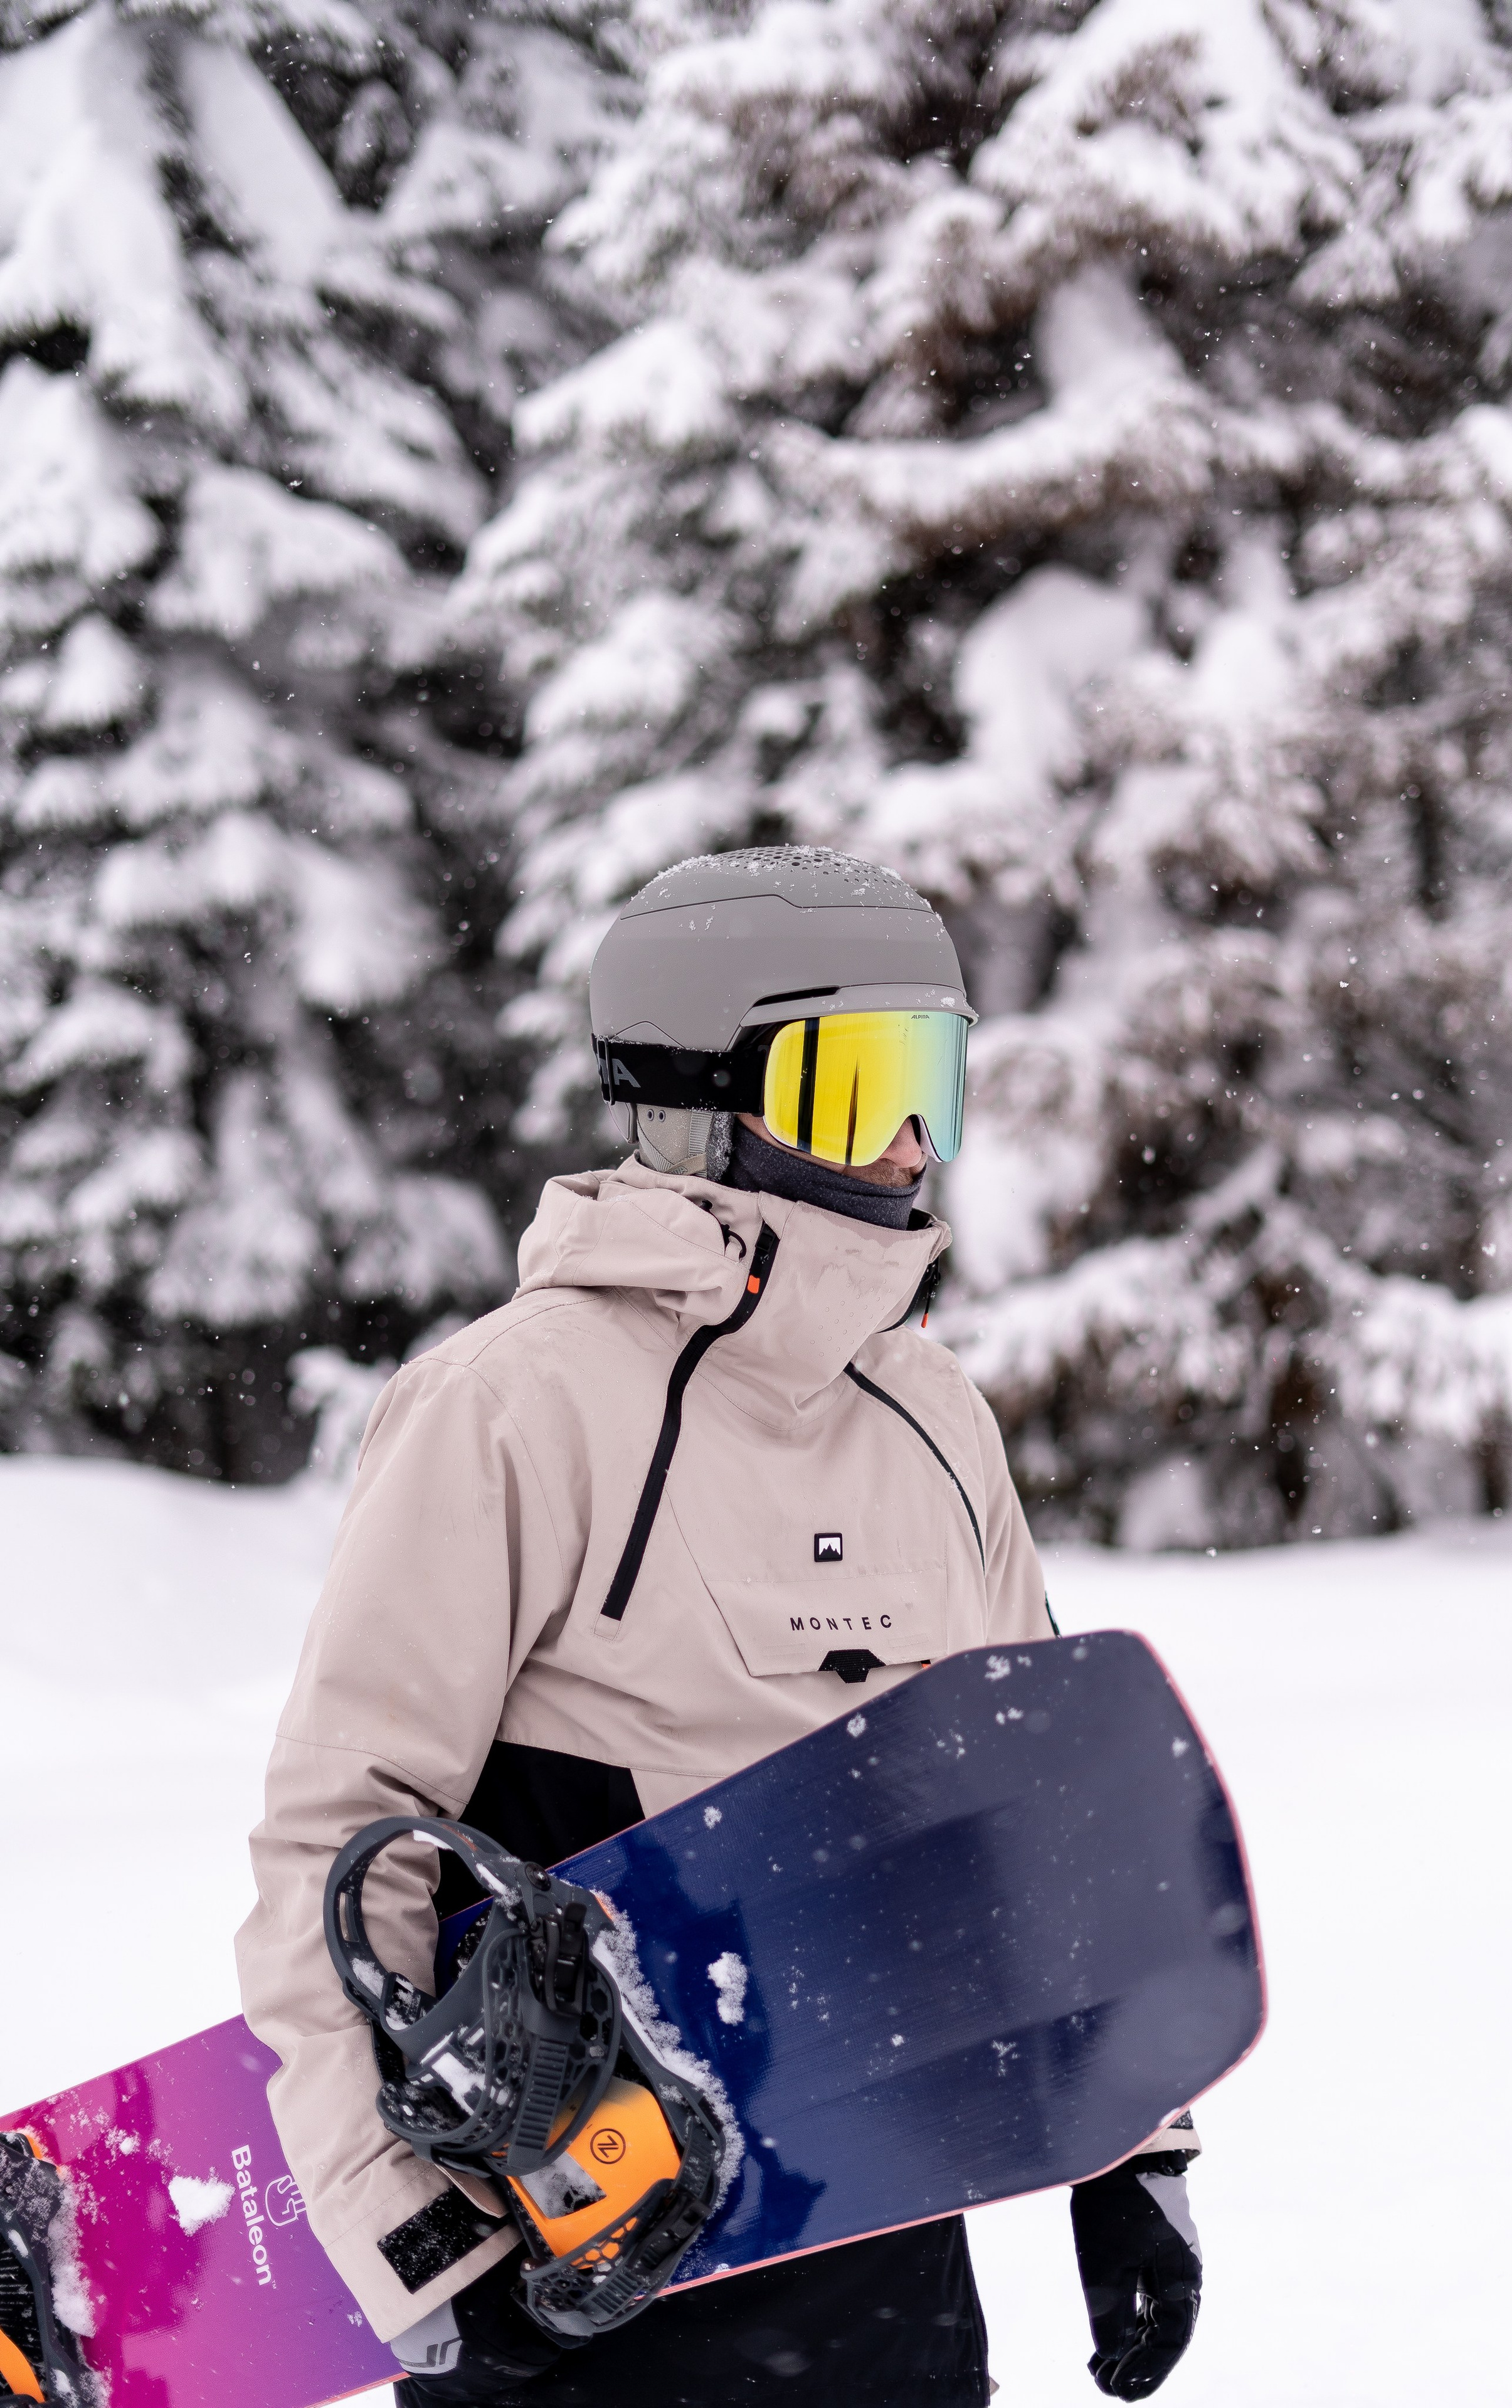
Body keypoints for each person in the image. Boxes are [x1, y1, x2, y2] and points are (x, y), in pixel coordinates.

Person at [237, 847, 1203, 2407]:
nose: (902, 1144)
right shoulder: (512, 1404)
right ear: (703, 1094)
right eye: (851, 1088)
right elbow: (346, 1839)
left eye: (929, 1084)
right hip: (580, 2254)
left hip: (887, 2245)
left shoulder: (929, 1409)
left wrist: (1127, 2145)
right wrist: (418, 2243)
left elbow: (1036, 1797)